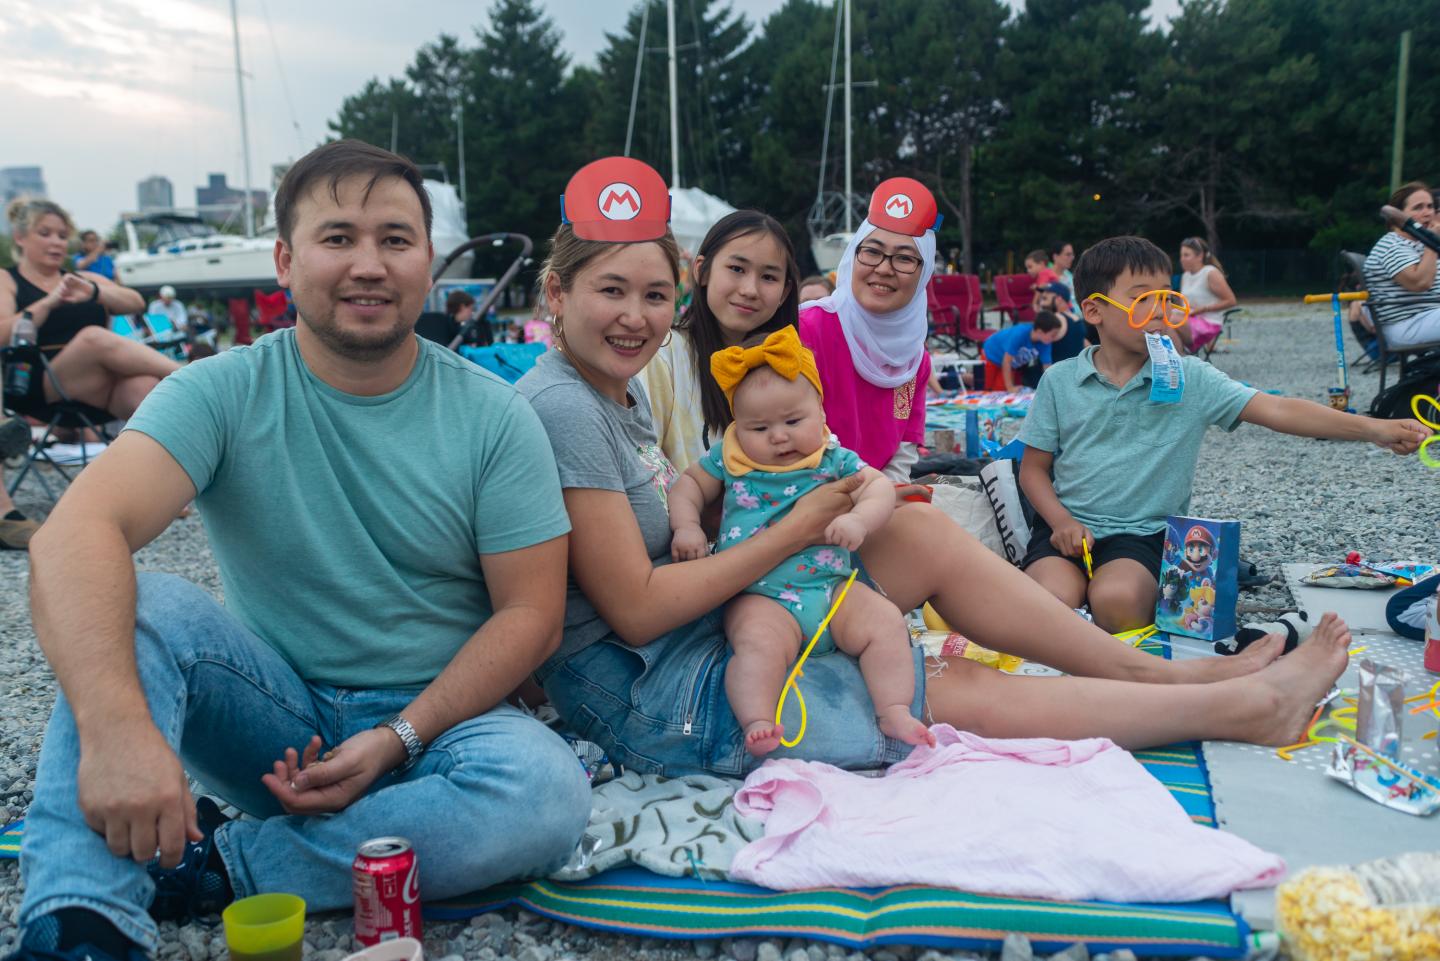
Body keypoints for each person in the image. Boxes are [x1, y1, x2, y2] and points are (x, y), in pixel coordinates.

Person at [519, 155, 1368, 793]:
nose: (636, 317)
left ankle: (1159, 672)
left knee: (918, 528)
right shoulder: (568, 405)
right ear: (556, 294)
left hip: (707, 618)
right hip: (656, 690)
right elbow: (634, 606)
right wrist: (798, 524)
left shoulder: (610, 391)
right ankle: (1239, 708)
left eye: (654, 295)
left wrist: (840, 506)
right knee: (943, 684)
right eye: (611, 292)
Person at [6, 141, 590, 961]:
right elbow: (75, 534)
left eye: (395, 239)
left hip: (440, 724)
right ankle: (81, 923)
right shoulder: (220, 390)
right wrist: (119, 732)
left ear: (428, 262)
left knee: (546, 794)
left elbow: (531, 616)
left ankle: (223, 863)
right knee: (146, 603)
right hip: (274, 724)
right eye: (337, 238)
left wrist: (399, 734)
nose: (369, 264)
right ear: (285, 260)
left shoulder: (494, 416)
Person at [1018, 236, 1430, 633]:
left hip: (1143, 536)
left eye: (1165, 296)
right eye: (1142, 298)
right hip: (1066, 532)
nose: (1159, 310)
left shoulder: (1190, 377)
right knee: (1046, 604)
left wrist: (1373, 428)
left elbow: (1277, 409)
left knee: (1117, 603)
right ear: (1094, 311)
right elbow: (1033, 469)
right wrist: (1061, 521)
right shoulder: (1060, 380)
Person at [668, 326, 933, 756]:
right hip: (760, 594)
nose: (778, 436)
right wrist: (687, 526)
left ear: (820, 413)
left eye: (793, 421)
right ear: (737, 426)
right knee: (757, 645)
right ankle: (757, 718)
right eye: (759, 427)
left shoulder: (832, 457)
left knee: (885, 621)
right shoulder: (730, 457)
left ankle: (894, 708)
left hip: (830, 589)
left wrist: (860, 520)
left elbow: (879, 488)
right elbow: (687, 486)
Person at [2, 197, 181, 550]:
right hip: (38, 384)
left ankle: (160, 490)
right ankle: (196, 376)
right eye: (45, 233)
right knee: (93, 338)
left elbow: (135, 302)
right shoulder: (7, 280)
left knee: (145, 387)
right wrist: (49, 302)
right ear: (20, 237)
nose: (56, 242)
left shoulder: (82, 278)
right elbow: (3, 330)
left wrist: (95, 292)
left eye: (61, 235)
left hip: (95, 387)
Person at [798, 178, 938, 483]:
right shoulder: (806, 330)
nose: (884, 269)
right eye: (872, 252)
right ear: (853, 255)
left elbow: (903, 449)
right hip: (806, 490)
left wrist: (880, 495)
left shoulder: (915, 359)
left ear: (924, 273)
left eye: (905, 258)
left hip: (879, 495)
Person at [640, 210, 801, 471]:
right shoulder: (663, 355)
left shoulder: (789, 362)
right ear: (701, 271)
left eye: (769, 277)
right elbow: (642, 464)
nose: (749, 290)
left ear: (784, 292)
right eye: (737, 269)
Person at [1363, 181, 1440, 348]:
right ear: (1399, 215)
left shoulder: (1417, 244)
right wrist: (1431, 241)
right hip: (1407, 324)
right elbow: (1420, 283)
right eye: (1418, 208)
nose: (1427, 213)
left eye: (1430, 206)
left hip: (1428, 317)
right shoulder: (1392, 245)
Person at [1178, 237, 1238, 355]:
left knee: (1172, 321)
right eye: (1181, 255)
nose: (1182, 259)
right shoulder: (1185, 276)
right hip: (1189, 319)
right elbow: (1183, 303)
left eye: (1186, 255)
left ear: (1200, 256)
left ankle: (1184, 351)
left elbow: (1231, 301)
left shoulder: (1210, 273)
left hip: (1209, 323)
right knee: (1165, 318)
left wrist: (1203, 309)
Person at [982, 311, 1064, 391]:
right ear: (1040, 332)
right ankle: (975, 380)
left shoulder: (1046, 343)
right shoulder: (1020, 334)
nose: (1054, 338)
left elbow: (1047, 367)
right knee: (985, 385)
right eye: (1053, 335)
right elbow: (1006, 362)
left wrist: (1053, 388)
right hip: (991, 355)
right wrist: (1010, 387)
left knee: (1000, 389)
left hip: (1011, 364)